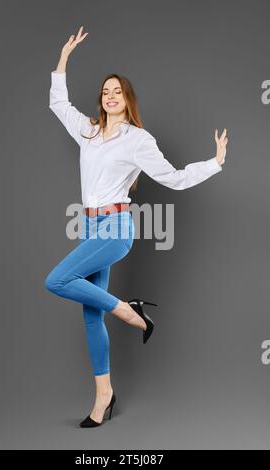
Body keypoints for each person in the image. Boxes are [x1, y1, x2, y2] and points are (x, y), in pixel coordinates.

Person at [44, 26, 229, 428]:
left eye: (118, 92)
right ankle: (104, 395)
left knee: (56, 280)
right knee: (91, 314)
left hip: (116, 227)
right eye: (105, 91)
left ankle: (130, 313)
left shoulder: (138, 139)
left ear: (127, 100)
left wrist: (214, 163)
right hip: (90, 227)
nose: (110, 96)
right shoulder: (89, 132)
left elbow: (175, 177)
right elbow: (59, 103)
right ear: (101, 99)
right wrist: (63, 59)